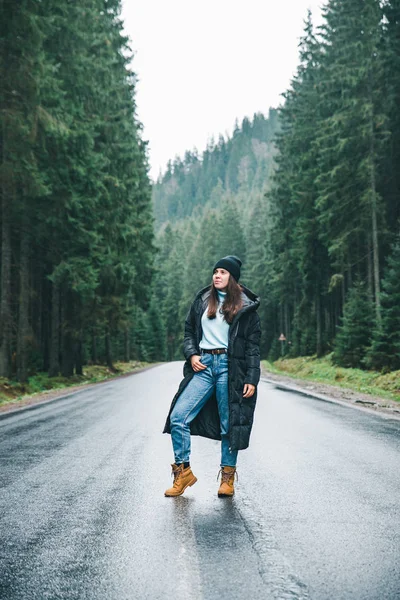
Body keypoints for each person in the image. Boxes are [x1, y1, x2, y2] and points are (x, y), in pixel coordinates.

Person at [163, 255, 261, 497]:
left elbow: (252, 347)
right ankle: (183, 473)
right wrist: (192, 354)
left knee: (229, 423)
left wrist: (251, 378)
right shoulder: (202, 300)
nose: (217, 275)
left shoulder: (246, 308)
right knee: (178, 417)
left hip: (230, 368)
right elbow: (188, 331)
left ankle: (227, 478)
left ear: (233, 278)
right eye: (215, 271)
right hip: (204, 366)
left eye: (223, 272)